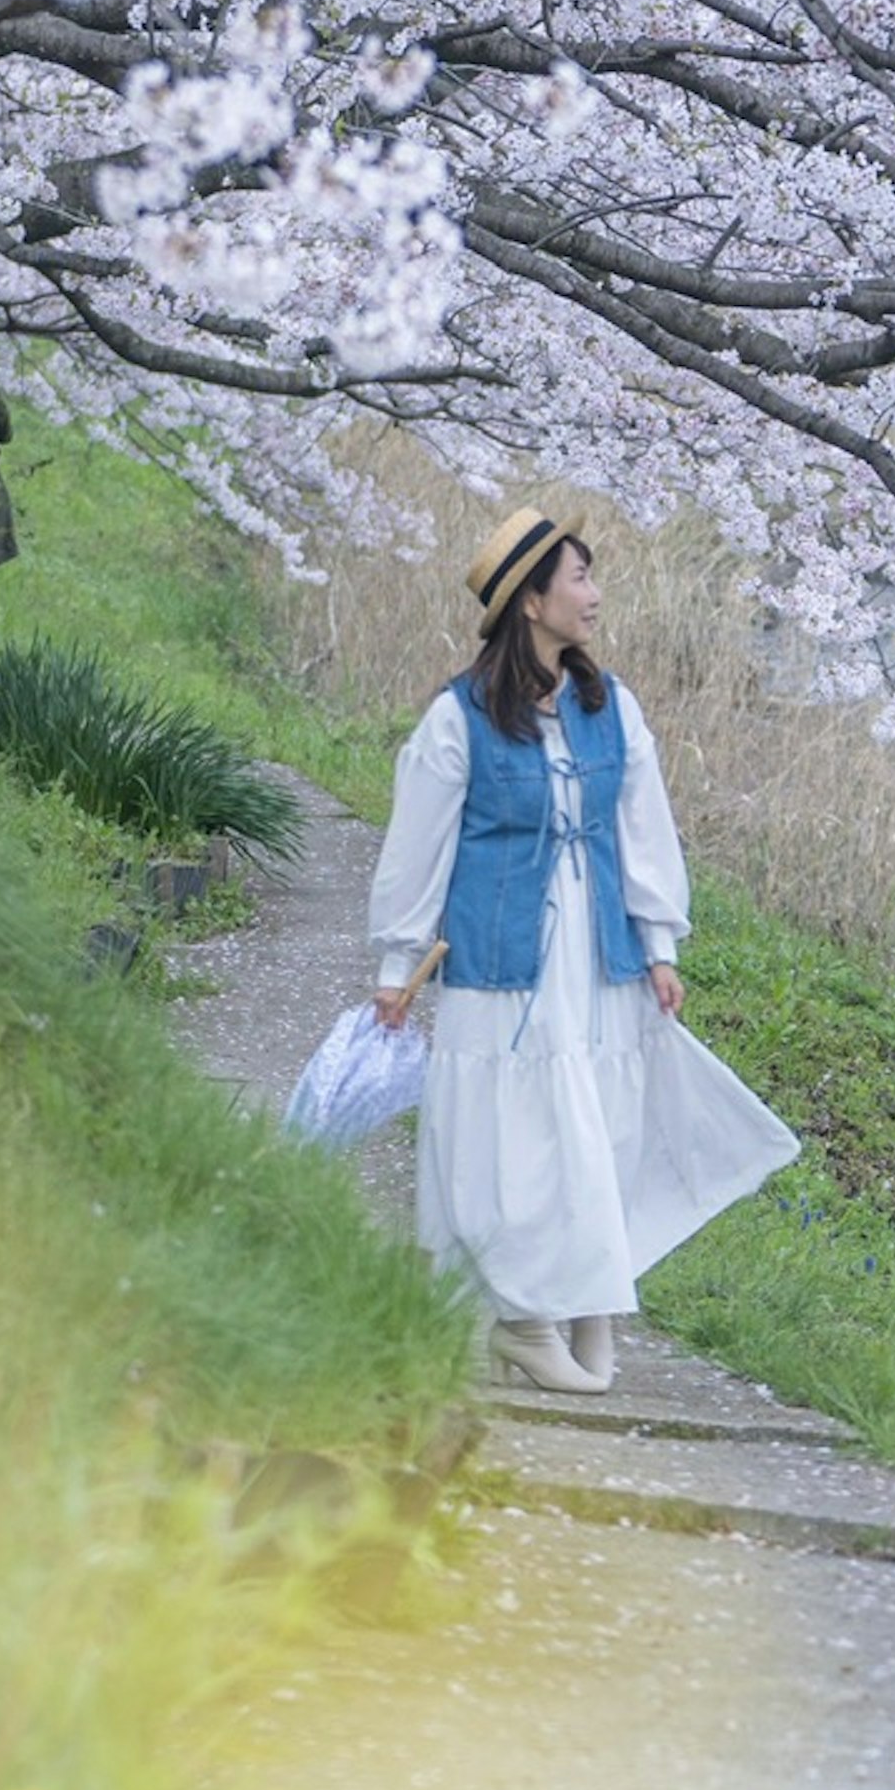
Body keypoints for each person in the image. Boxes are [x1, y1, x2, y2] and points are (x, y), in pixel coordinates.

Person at [368, 503, 797, 1395]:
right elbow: (418, 850)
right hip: (503, 964)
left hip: (597, 955)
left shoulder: (611, 708)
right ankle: (524, 1319)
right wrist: (394, 969)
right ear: (531, 601)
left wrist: (659, 943)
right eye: (580, 579)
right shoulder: (459, 721)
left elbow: (643, 832)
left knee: (602, 1126)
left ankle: (590, 1299)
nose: (595, 597)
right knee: (516, 1140)